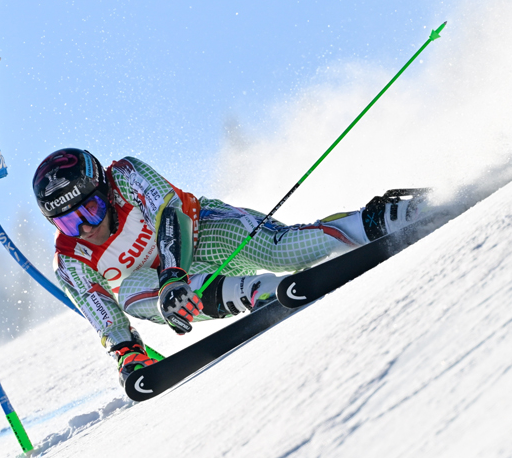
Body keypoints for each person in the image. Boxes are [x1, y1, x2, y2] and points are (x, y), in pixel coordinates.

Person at [32, 148, 429, 385]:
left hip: (207, 232)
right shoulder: (70, 259)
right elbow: (102, 312)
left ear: (103, 190)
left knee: (286, 250)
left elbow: (172, 212)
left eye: (92, 208)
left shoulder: (126, 175)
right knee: (133, 293)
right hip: (172, 287)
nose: (88, 227)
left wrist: (173, 273)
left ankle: (386, 218)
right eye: (69, 221)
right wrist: (128, 353)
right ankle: (257, 293)